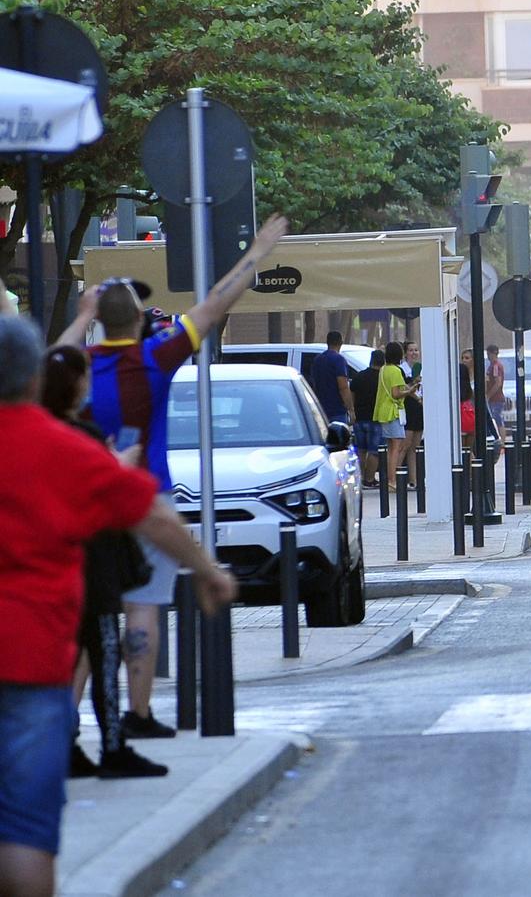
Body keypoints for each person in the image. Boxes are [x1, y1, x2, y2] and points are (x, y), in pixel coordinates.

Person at [0, 316, 237, 897]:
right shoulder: (63, 448)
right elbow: (152, 513)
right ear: (33, 379)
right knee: (25, 835)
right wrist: (207, 571)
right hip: (32, 669)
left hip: (38, 669)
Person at [57, 216, 285, 746]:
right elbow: (216, 303)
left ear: (97, 321)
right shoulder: (155, 357)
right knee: (143, 606)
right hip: (147, 496)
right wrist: (258, 249)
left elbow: (56, 355)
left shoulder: (82, 364)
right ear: (139, 320)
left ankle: (66, 718)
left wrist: (82, 313)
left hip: (91, 501)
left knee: (93, 612)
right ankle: (138, 712)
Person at [39, 347, 160, 781]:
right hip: (97, 564)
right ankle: (112, 746)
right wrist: (119, 464)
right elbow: (112, 490)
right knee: (104, 659)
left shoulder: (39, 433)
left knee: (63, 665)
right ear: (77, 387)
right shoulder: (83, 436)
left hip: (55, 570)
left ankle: (63, 745)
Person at [375, 341, 416, 491]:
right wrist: (410, 392)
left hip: (383, 411)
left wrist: (410, 386)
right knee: (396, 448)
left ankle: (389, 479)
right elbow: (396, 393)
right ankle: (392, 480)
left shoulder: (384, 369)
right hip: (394, 411)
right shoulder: (396, 371)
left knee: (390, 447)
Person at [306, 331, 354, 427]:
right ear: (341, 343)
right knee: (339, 440)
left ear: (327, 342)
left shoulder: (317, 360)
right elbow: (343, 387)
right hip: (337, 411)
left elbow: (314, 384)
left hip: (321, 409)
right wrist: (351, 409)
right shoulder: (339, 360)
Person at [350, 350, 384, 486]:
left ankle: (360, 478)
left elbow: (351, 393)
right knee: (374, 451)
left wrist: (352, 410)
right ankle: (369, 479)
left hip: (359, 418)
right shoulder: (382, 378)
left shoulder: (360, 376)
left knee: (361, 450)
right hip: (376, 419)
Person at [484, 344, 507, 438]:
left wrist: (489, 395)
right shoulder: (492, 366)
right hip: (492, 399)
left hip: (496, 399)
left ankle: (502, 441)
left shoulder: (496, 366)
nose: (488, 356)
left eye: (489, 354)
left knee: (497, 419)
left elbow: (498, 383)